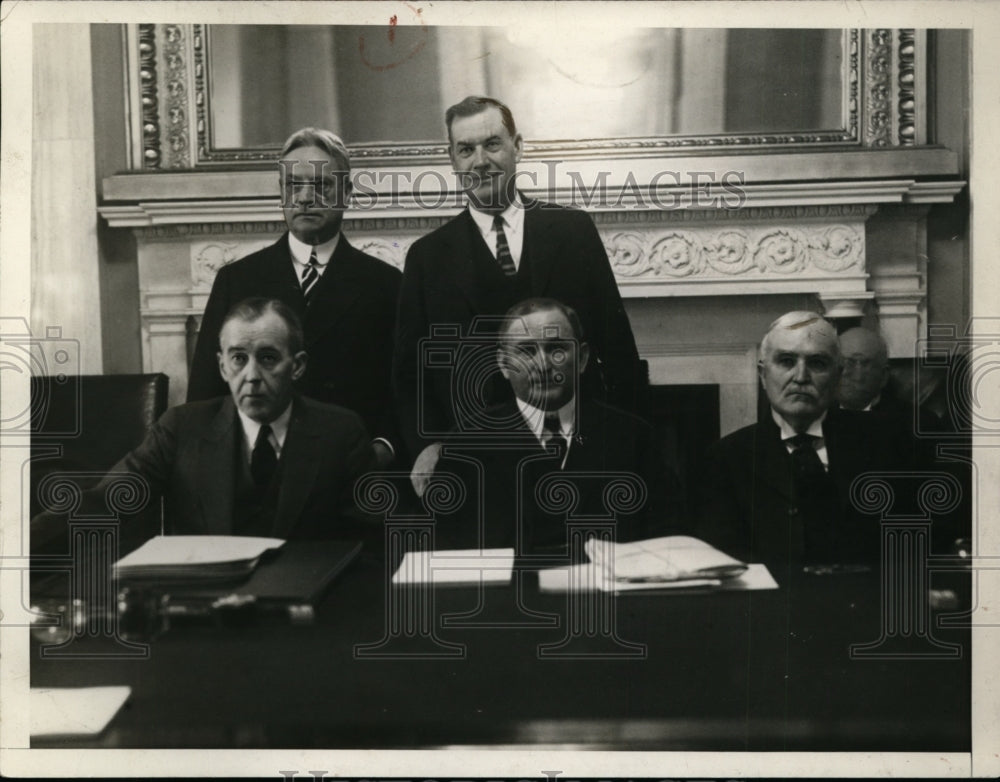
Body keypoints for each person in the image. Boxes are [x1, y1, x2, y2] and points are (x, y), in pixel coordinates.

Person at [394, 96, 642, 481]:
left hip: (577, 451)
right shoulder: (427, 258)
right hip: (478, 461)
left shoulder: (573, 232)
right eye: (466, 150)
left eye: (492, 144)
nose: (480, 161)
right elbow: (409, 375)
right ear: (452, 160)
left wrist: (631, 439)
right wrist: (426, 446)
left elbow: (618, 348)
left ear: (518, 147)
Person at [34, 298, 375, 547]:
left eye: (268, 358)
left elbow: (370, 543)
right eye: (238, 359)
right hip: (205, 613)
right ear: (223, 366)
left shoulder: (341, 433)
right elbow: (103, 501)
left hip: (306, 615)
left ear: (297, 366)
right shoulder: (182, 428)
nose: (252, 375)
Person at [187, 127, 401, 467]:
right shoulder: (237, 280)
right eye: (292, 185)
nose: (303, 197)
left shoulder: (386, 284)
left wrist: (382, 448)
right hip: (259, 470)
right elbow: (206, 391)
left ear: (345, 192)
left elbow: (403, 387)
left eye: (320, 185)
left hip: (349, 470)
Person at [431, 298, 678, 556]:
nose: (543, 365)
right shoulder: (466, 444)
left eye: (556, 349)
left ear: (582, 358)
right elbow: (443, 548)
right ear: (504, 365)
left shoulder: (633, 437)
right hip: (507, 595)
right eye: (526, 351)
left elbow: (669, 538)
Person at [696, 311, 912, 572]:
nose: (800, 376)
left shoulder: (889, 444)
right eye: (786, 361)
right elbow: (725, 563)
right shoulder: (725, 458)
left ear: (837, 376)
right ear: (763, 375)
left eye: (817, 363)